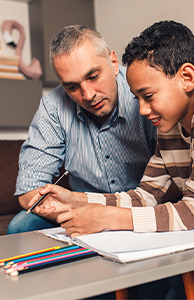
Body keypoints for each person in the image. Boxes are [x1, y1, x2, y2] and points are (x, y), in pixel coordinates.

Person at [28, 20, 194, 299]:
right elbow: (146, 194)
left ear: (187, 78)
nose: (142, 109)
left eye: (148, 96)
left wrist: (109, 217)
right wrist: (79, 200)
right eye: (137, 98)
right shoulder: (168, 129)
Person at [7, 25, 157, 234]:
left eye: (93, 76)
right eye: (71, 86)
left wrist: (110, 217)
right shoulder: (53, 108)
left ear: (113, 63)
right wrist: (82, 214)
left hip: (145, 204)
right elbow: (28, 191)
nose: (87, 95)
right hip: (81, 208)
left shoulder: (144, 90)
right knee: (20, 226)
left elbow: (174, 179)